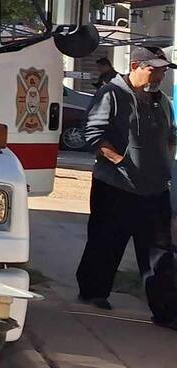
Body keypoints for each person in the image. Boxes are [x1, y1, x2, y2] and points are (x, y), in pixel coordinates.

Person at [75, 45, 177, 327]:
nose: (159, 75)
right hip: (115, 188)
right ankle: (93, 293)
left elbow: (170, 136)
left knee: (160, 253)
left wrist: (163, 164)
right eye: (153, 69)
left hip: (155, 190)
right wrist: (122, 162)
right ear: (135, 66)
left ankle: (166, 312)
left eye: (163, 70)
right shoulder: (112, 93)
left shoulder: (163, 101)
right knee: (106, 244)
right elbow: (94, 135)